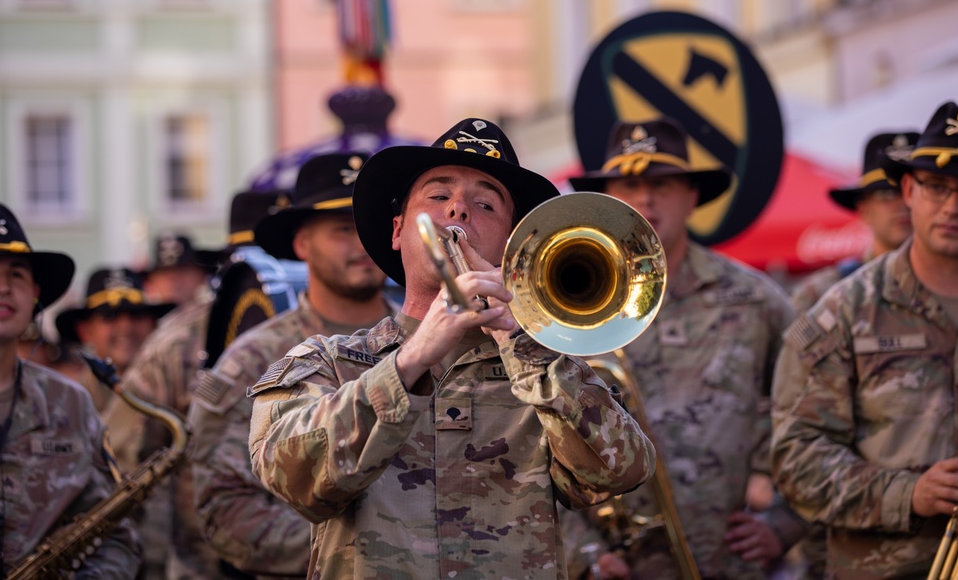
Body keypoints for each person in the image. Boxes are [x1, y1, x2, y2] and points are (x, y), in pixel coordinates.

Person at [248, 117, 655, 579]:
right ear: (398, 230)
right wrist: (410, 359)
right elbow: (292, 477)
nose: (458, 210)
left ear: (511, 246)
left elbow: (619, 471)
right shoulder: (327, 361)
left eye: (485, 204)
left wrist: (521, 338)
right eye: (439, 196)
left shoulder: (544, 369)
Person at [564, 117, 803, 579]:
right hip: (620, 565)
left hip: (729, 564)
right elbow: (538, 440)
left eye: (663, 183)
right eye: (628, 184)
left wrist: (784, 524)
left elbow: (814, 414)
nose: (646, 198)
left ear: (693, 195)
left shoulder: (757, 299)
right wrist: (584, 555)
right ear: (608, 198)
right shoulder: (566, 302)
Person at [771, 100, 958, 580]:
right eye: (937, 186)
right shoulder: (841, 312)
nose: (952, 206)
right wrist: (908, 493)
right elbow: (795, 458)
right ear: (909, 190)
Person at [188, 152, 394, 579]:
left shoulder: (428, 338)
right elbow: (224, 506)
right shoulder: (256, 358)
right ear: (301, 243)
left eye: (368, 224)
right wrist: (366, 550)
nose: (361, 243)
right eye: (342, 229)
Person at [102, 190, 287, 580]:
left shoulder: (344, 329)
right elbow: (123, 460)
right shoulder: (178, 340)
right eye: (259, 263)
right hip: (208, 563)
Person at [0, 202, 141, 577]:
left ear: (34, 293)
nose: (2, 287)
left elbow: (116, 532)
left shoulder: (70, 402)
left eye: (16, 274)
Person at [786, 130, 918, 580]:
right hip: (847, 540)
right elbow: (791, 425)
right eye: (885, 192)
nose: (900, 202)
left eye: (911, 186)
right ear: (861, 206)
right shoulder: (821, 299)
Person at [790, 131, 919, 312]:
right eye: (887, 195)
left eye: (913, 191)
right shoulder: (822, 294)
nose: (903, 204)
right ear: (863, 210)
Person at [55, 267, 175, 410]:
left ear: (153, 325)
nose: (126, 327)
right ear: (85, 330)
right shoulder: (71, 404)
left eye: (136, 314)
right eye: (109, 315)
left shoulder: (176, 391)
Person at [143, 233, 216, 307]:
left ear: (201, 275)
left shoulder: (219, 311)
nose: (175, 281)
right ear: (152, 281)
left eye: (183, 271)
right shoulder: (143, 316)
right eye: (166, 273)